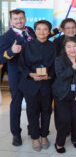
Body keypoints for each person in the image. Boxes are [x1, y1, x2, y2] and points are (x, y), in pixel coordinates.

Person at [18, 20, 56, 152]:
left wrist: (49, 75)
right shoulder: (26, 45)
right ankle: (35, 137)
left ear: (48, 31)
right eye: (39, 29)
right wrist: (30, 74)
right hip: (31, 84)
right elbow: (21, 64)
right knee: (32, 112)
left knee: (46, 111)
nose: (42, 32)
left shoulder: (53, 46)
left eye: (45, 29)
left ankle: (44, 135)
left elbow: (56, 64)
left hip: (47, 83)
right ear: (35, 30)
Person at [0, 9, 35, 146]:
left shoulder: (30, 31)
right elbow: (0, 57)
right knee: (16, 105)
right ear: (11, 21)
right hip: (17, 77)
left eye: (21, 18)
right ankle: (16, 133)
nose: (19, 21)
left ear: (25, 19)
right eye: (15, 19)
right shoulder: (6, 37)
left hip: (32, 75)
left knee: (32, 104)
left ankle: (32, 128)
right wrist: (11, 52)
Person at [52, 37, 76, 153]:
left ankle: (75, 137)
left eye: (75, 46)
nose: (72, 49)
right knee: (64, 119)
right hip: (62, 94)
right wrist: (72, 68)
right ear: (64, 48)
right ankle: (59, 142)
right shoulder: (59, 60)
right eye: (69, 47)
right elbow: (61, 76)